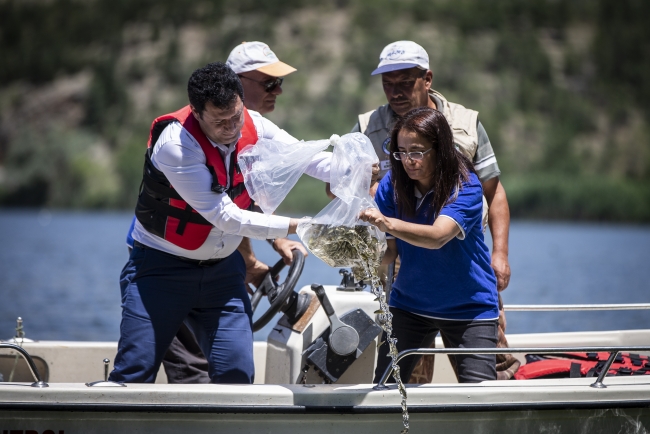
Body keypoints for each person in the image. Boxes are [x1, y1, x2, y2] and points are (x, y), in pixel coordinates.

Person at [109, 61, 331, 384]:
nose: (231, 128)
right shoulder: (176, 145)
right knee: (133, 374)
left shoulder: (252, 123)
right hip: (160, 270)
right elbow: (225, 216)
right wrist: (298, 226)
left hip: (222, 275)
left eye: (236, 116)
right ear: (197, 114)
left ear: (242, 102)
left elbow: (305, 156)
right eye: (220, 121)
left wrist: (348, 170)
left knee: (237, 376)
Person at [351, 40, 517, 381]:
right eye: (387, 84)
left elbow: (493, 192)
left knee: (487, 381)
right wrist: (355, 253)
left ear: (427, 79)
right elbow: (339, 191)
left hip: (463, 260)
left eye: (404, 83)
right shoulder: (367, 129)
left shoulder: (465, 133)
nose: (394, 92)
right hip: (407, 280)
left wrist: (499, 253)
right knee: (401, 384)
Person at [158, 41, 309, 383]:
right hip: (174, 262)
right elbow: (222, 217)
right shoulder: (188, 145)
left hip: (216, 265)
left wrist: (274, 240)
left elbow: (247, 201)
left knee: (233, 371)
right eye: (269, 83)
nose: (279, 90)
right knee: (193, 371)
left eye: (279, 82)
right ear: (237, 84)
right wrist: (254, 261)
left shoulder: (251, 133)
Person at [359, 107, 499, 383]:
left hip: (469, 307)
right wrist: (357, 252)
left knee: (481, 397)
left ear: (440, 148)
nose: (408, 161)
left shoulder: (466, 186)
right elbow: (389, 252)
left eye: (417, 152)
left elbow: (438, 237)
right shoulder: (392, 185)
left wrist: (386, 223)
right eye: (401, 152)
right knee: (385, 388)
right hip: (410, 304)